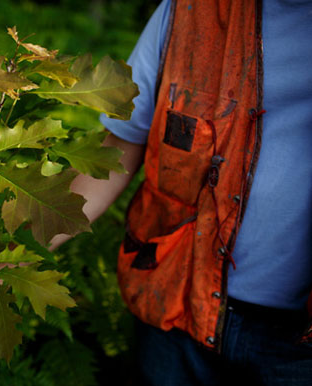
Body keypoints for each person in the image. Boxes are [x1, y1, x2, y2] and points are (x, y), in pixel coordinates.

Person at [51, 0, 312, 384]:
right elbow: (119, 151)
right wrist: (20, 249)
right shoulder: (190, 11)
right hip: (176, 308)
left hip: (299, 348)